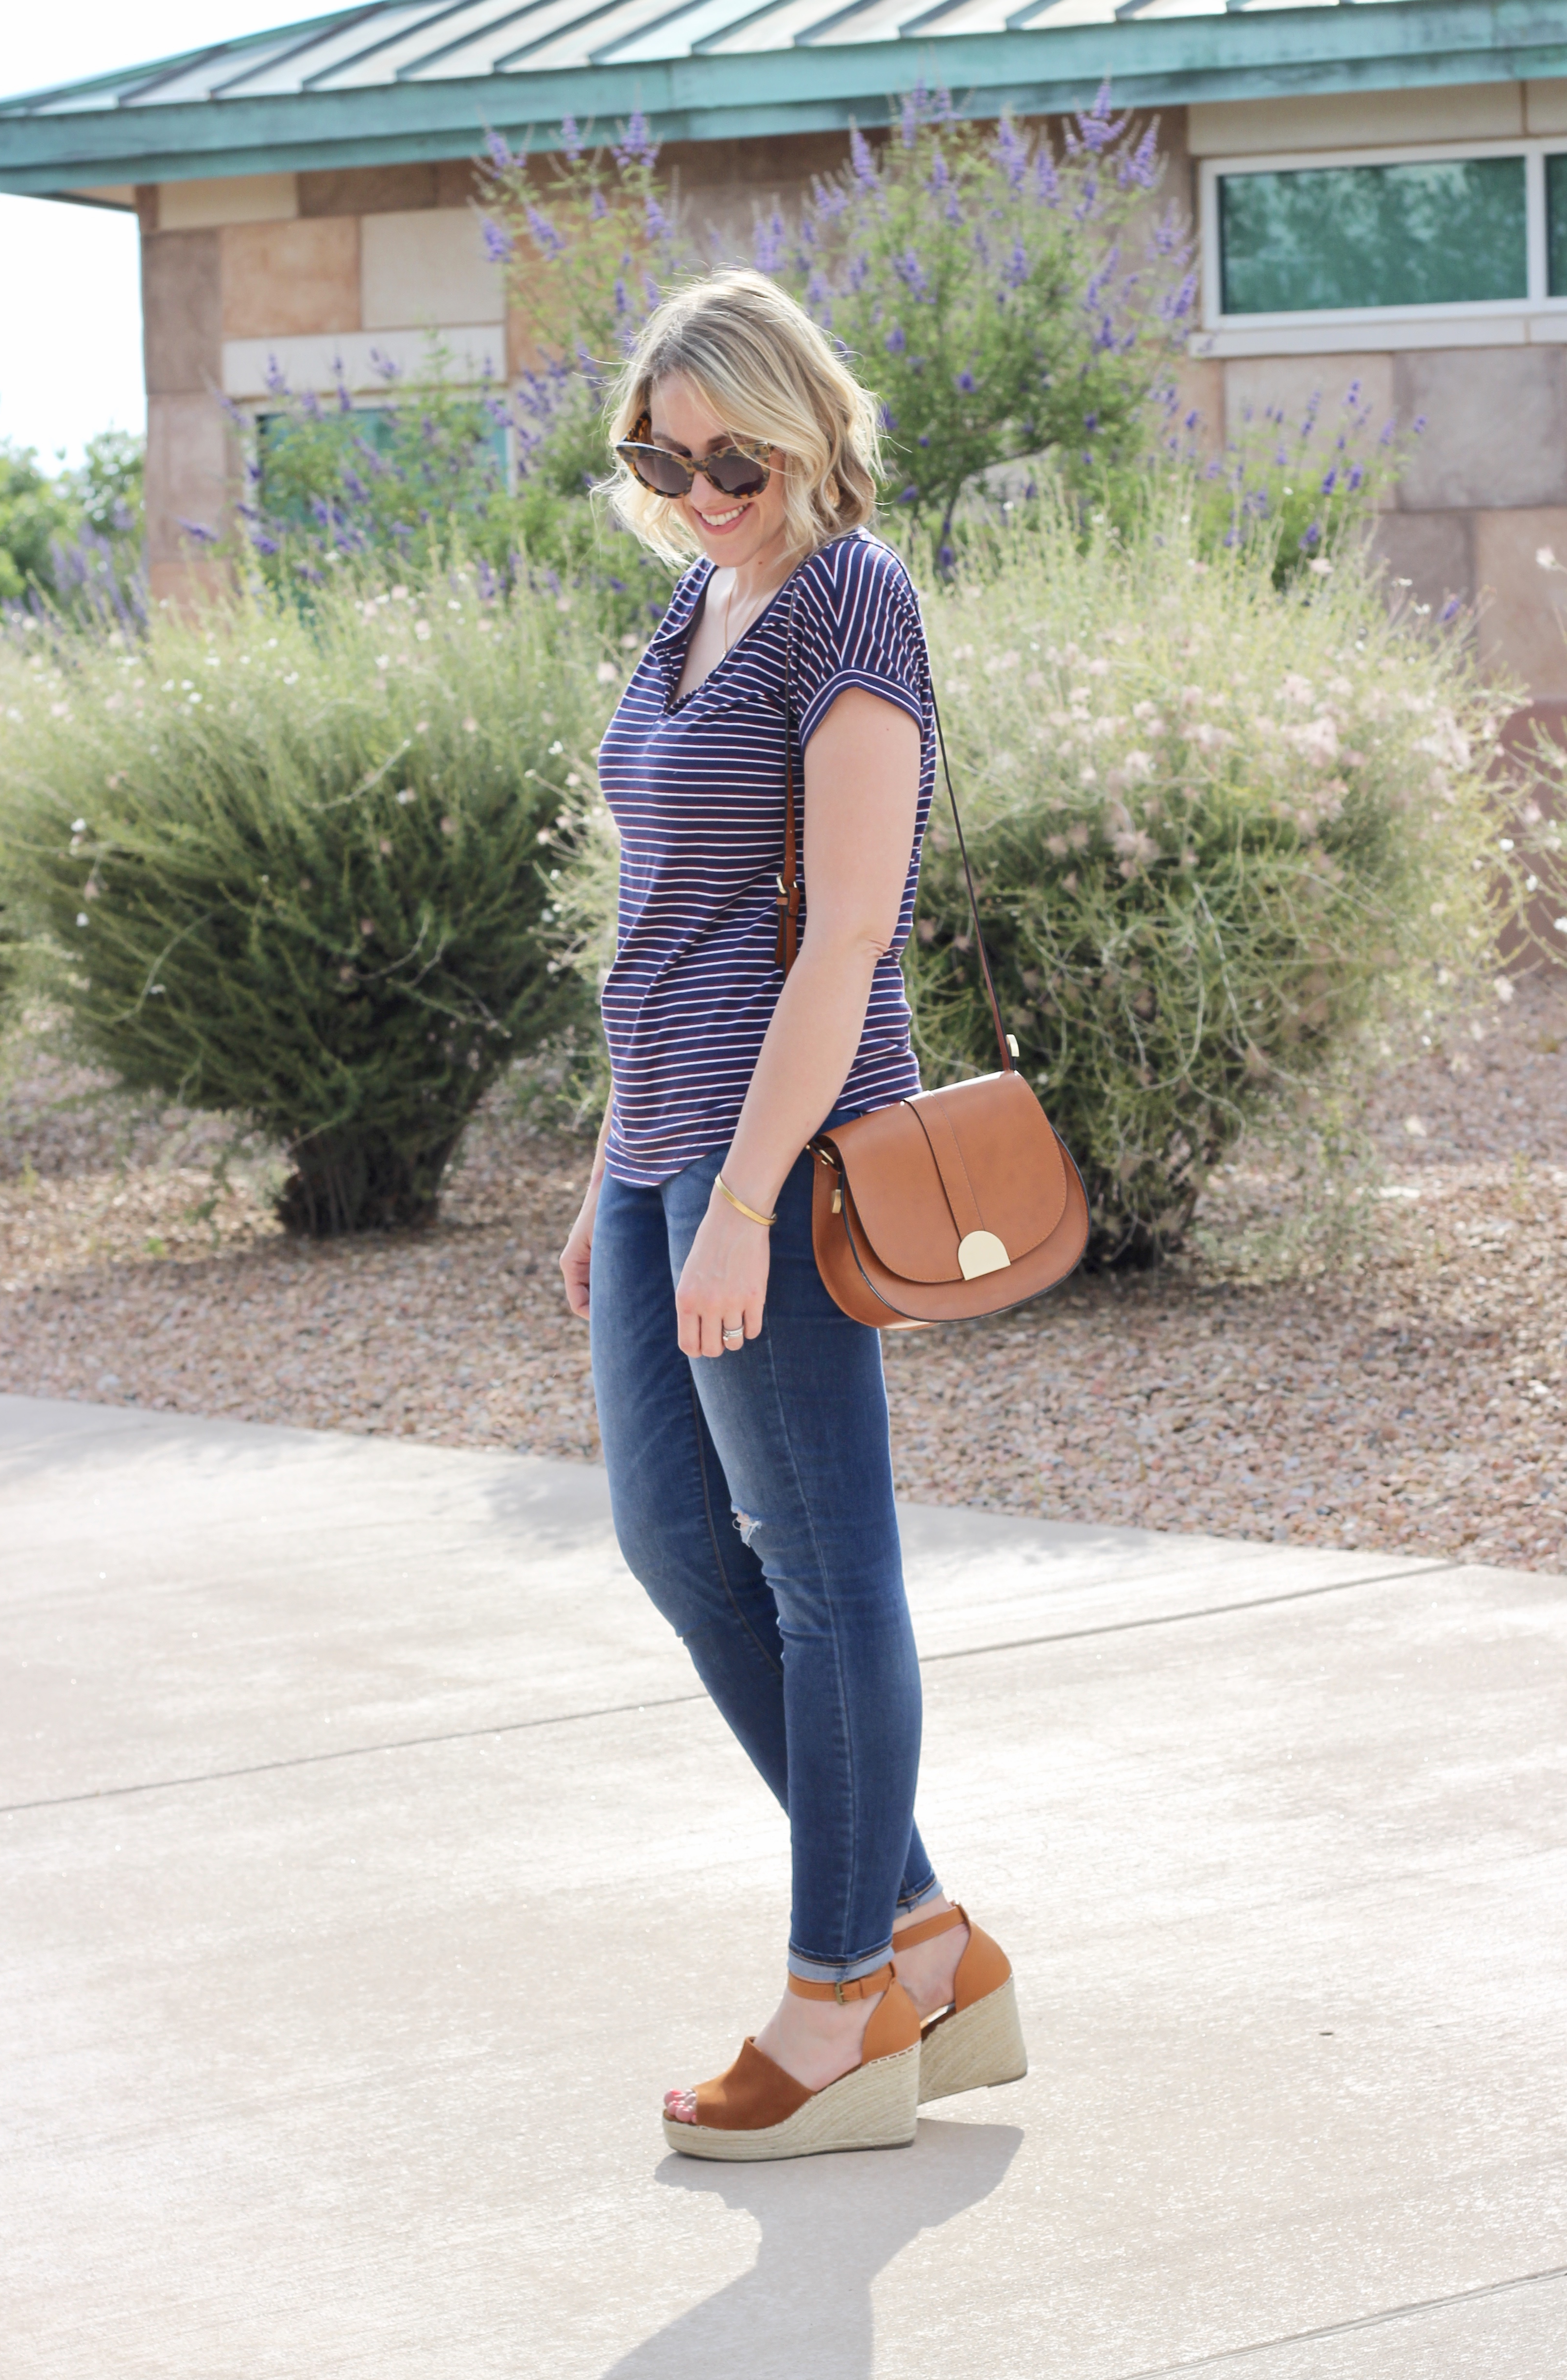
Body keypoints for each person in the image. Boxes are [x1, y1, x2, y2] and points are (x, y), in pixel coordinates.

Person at [560, 269, 1025, 2161]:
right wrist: (617, 1166)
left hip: (790, 1158)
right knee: (677, 1540)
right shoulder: (697, 597)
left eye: (729, 451)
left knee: (832, 1576)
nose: (695, 483)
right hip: (666, 1148)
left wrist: (744, 1197)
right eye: (657, 454)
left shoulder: (849, 597)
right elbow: (662, 926)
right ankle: (933, 1944)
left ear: (810, 429)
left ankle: (840, 2005)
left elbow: (847, 929)